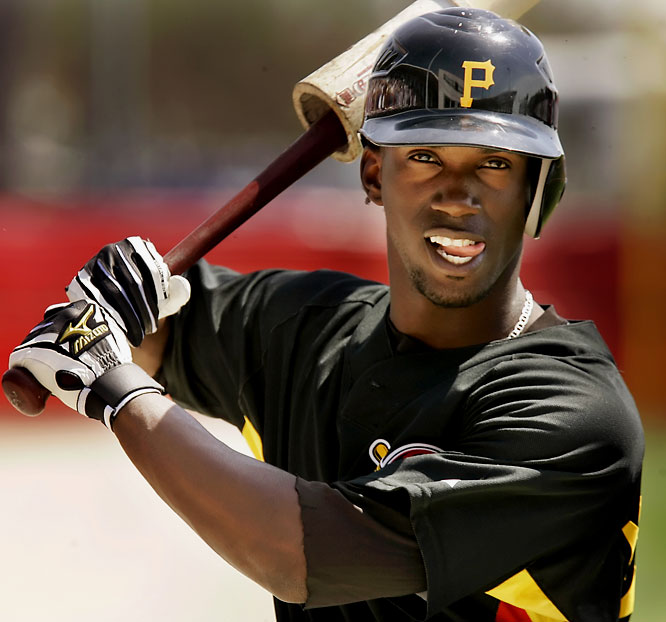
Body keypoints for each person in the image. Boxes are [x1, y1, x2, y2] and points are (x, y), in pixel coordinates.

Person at [9, 8, 643, 622]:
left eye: (496, 163)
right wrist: (113, 302)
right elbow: (159, 328)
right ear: (373, 172)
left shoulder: (570, 415)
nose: (459, 195)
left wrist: (118, 391)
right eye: (425, 157)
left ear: (540, 191)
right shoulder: (308, 330)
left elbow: (300, 556)